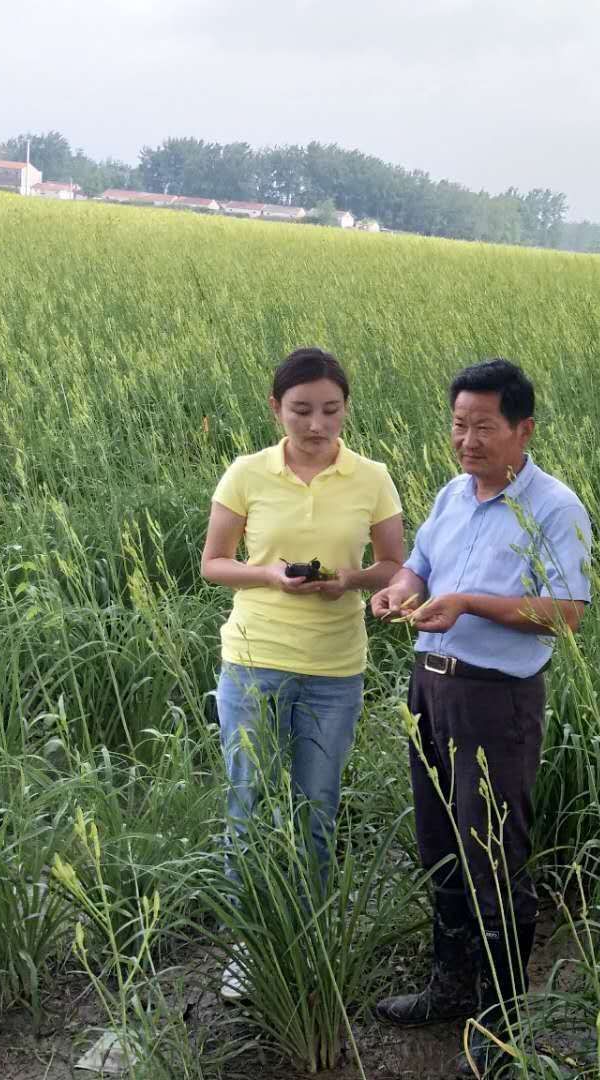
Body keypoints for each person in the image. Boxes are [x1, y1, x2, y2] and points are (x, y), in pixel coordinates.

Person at [370, 359, 592, 1075]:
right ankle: (449, 986)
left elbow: (566, 613)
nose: (467, 440)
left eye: (484, 427)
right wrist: (400, 588)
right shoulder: (452, 495)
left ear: (523, 429)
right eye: (459, 425)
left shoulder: (556, 507)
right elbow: (421, 566)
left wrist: (469, 603)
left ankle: (500, 1028)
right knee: (439, 844)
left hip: (496, 701)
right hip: (430, 689)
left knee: (493, 856)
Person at [200, 347, 405, 997]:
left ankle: (308, 937)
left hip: (334, 668)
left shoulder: (371, 476)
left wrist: (348, 578)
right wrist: (267, 574)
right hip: (254, 661)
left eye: (331, 410)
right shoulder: (246, 473)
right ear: (276, 409)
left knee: (317, 808)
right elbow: (213, 562)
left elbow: (395, 565)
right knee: (248, 805)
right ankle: (247, 943)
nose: (317, 425)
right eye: (301, 411)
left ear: (345, 408)